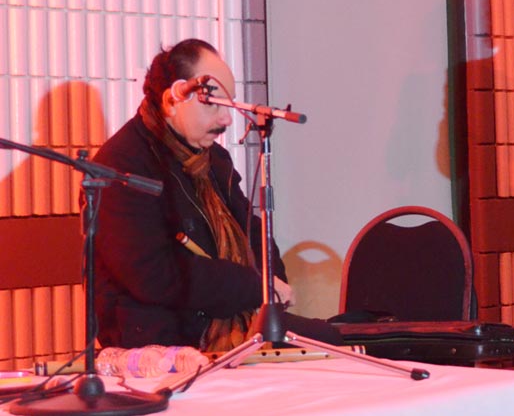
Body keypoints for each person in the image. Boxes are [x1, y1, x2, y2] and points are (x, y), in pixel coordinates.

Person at [93, 38, 341, 351]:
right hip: (163, 341)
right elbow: (152, 274)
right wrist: (254, 287)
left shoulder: (214, 160)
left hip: (234, 318)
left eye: (229, 104)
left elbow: (252, 232)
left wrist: (270, 286)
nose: (226, 119)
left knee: (335, 342)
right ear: (173, 99)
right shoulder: (121, 163)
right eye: (213, 104)